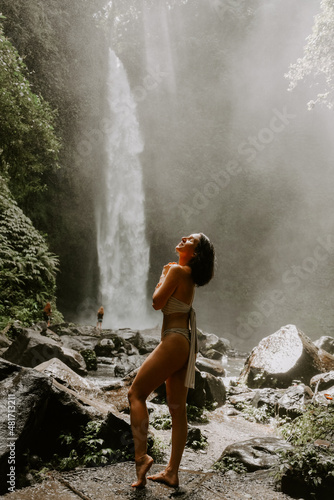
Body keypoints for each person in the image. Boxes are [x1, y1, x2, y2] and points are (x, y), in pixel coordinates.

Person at [128, 233, 215, 488]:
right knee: (177, 410)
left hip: (174, 340)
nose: (183, 237)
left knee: (135, 394)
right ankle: (171, 472)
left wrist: (162, 276)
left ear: (195, 253)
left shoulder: (177, 271)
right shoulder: (187, 276)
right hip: (183, 342)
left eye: (190, 240)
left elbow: (157, 302)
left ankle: (141, 457)